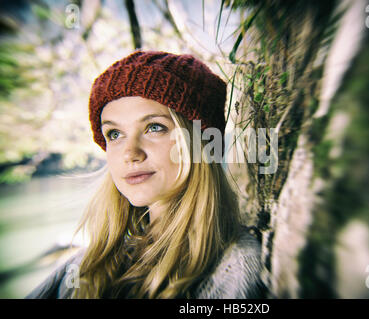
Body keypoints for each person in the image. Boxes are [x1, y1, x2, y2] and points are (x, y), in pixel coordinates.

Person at [26, 50, 266, 299]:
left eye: (154, 127)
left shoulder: (234, 268)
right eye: (115, 134)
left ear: (200, 142)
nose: (130, 153)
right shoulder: (89, 264)